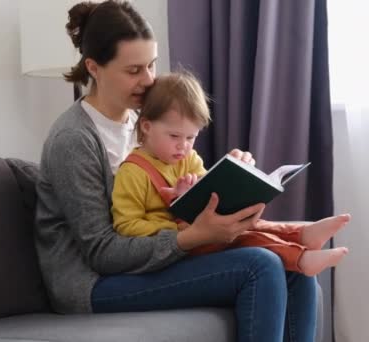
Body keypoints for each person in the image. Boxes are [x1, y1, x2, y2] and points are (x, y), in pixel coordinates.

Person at [34, 1, 319, 341]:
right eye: (133, 70)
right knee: (260, 265)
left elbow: (178, 190)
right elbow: (102, 253)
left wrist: (228, 177)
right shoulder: (74, 140)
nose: (149, 80)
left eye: (151, 65)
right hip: (93, 284)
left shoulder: (145, 121)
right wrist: (193, 237)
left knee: (296, 266)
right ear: (94, 68)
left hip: (149, 258)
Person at [111, 72, 350, 277]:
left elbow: (209, 192)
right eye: (174, 136)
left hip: (199, 232)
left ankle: (302, 234)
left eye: (191, 137)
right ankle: (301, 259)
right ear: (146, 126)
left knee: (253, 225)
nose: (183, 146)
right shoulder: (133, 172)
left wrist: (227, 182)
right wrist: (175, 232)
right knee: (244, 239)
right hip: (178, 249)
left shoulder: (188, 159)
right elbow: (125, 226)